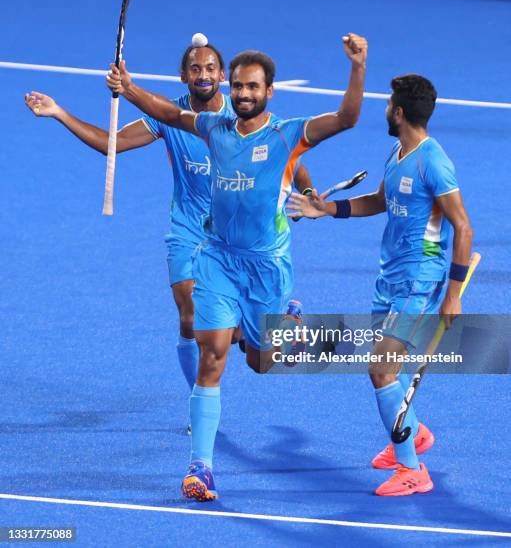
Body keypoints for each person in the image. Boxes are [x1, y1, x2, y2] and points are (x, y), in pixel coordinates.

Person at [106, 33, 368, 501]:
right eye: (239, 86)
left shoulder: (289, 133)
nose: (244, 94)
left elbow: (348, 117)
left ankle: (289, 323)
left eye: (254, 87)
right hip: (218, 260)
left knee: (262, 364)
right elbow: (169, 113)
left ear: (270, 92)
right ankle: (200, 468)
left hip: (266, 269)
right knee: (212, 355)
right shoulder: (214, 128)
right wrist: (130, 87)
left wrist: (357, 67)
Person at [25, 37, 312, 423]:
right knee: (190, 318)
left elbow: (288, 152)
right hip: (190, 230)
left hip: (238, 239)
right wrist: (60, 112)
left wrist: (306, 193)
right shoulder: (169, 116)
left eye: (211, 68)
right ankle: (199, 403)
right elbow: (110, 143)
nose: (204, 74)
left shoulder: (242, 117)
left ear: (223, 76)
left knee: (254, 356)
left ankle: (283, 323)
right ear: (183, 76)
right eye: (195, 69)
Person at [287, 73, 473, 497]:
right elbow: (379, 200)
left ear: (400, 112)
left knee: (381, 367)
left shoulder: (433, 162)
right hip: (390, 278)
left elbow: (463, 227)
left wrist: (454, 293)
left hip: (419, 279)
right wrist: (328, 209)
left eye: (389, 104)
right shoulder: (398, 150)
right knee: (390, 367)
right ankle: (410, 433)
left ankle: (412, 469)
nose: (385, 109)